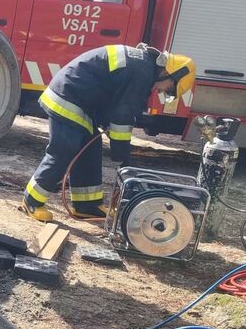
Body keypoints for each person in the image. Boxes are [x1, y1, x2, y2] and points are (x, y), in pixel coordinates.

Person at [22, 44, 195, 222]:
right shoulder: (142, 73)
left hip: (80, 100)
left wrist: (118, 144)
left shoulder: (144, 66)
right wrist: (122, 156)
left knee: (91, 148)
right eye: (169, 89)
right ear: (168, 73)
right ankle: (31, 200)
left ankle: (87, 206)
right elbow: (122, 115)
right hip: (68, 96)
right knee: (65, 149)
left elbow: (114, 100)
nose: (161, 91)